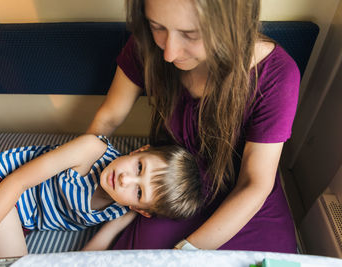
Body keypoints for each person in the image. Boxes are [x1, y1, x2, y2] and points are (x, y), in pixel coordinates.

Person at [86, 0, 300, 253]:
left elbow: (254, 184)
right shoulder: (148, 45)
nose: (169, 53)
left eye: (190, 34)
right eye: (157, 27)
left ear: (231, 26)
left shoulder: (277, 75)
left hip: (243, 197)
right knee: (142, 255)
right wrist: (74, 171)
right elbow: (109, 118)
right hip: (172, 184)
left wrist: (186, 253)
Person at [0, 134, 202, 266]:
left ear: (138, 208)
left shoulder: (121, 211)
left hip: (20, 218)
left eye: (138, 192)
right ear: (140, 151)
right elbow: (16, 183)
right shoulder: (90, 149)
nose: (126, 180)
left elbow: (92, 252)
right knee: (6, 261)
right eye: (139, 168)